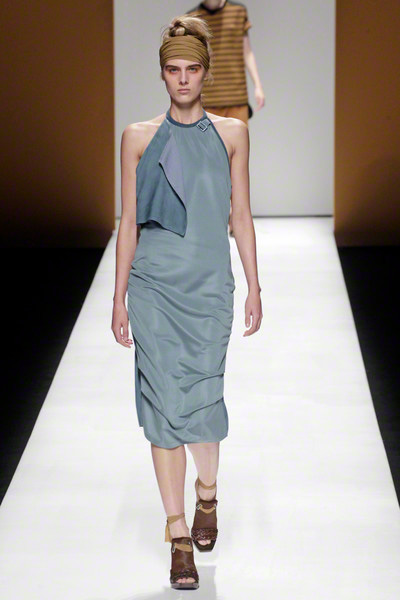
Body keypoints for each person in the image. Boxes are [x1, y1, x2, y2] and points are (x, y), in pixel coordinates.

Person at [111, 14, 262, 590]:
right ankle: (177, 536)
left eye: (191, 69)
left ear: (205, 72)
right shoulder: (137, 138)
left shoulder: (232, 134)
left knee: (202, 405)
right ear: (161, 73)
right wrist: (119, 297)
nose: (182, 78)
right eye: (173, 69)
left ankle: (207, 493)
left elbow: (240, 215)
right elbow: (129, 222)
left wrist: (254, 285)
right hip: (153, 287)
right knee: (162, 408)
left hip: (207, 287)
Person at [186, 0, 265, 235]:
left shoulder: (238, 12)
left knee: (236, 163)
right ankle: (216, 214)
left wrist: (258, 85)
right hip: (207, 100)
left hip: (236, 97)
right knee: (207, 162)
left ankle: (235, 216)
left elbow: (247, 51)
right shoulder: (194, 17)